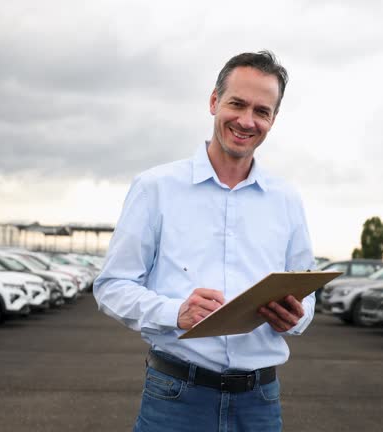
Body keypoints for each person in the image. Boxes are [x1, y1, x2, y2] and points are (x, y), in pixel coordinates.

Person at [93, 50, 315, 432]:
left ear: (273, 119)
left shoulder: (287, 200)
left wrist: (295, 317)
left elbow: (306, 294)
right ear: (214, 101)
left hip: (259, 402)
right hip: (176, 396)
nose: (247, 121)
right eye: (237, 104)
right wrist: (175, 312)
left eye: (262, 111)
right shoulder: (155, 188)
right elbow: (111, 286)